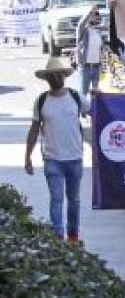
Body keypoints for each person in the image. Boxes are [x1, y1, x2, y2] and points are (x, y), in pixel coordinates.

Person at [24, 57, 88, 243]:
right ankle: (58, 237)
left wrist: (100, 96)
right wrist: (27, 156)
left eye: (58, 74)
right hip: (52, 160)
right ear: (47, 79)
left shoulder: (76, 97)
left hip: (75, 158)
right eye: (52, 75)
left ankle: (73, 235)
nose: (55, 77)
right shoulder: (42, 101)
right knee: (57, 198)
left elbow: (97, 111)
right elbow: (34, 129)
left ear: (64, 76)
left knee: (74, 199)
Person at [75, 5, 104, 96]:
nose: (94, 16)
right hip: (85, 67)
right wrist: (90, 11)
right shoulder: (82, 31)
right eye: (92, 14)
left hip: (96, 67)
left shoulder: (98, 32)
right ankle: (83, 110)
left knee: (95, 94)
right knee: (83, 93)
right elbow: (81, 23)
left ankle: (93, 110)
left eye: (95, 14)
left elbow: (100, 49)